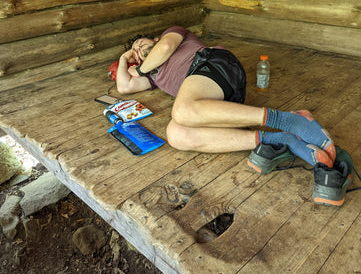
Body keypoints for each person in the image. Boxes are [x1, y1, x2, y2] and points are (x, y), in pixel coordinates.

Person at [116, 26, 337, 168]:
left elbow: (165, 46)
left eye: (141, 44)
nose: (138, 49)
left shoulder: (172, 34)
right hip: (216, 101)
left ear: (154, 38)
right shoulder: (154, 75)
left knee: (181, 111)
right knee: (176, 134)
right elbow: (124, 87)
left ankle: (288, 120)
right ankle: (280, 139)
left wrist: (142, 67)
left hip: (214, 64)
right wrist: (125, 58)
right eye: (135, 51)